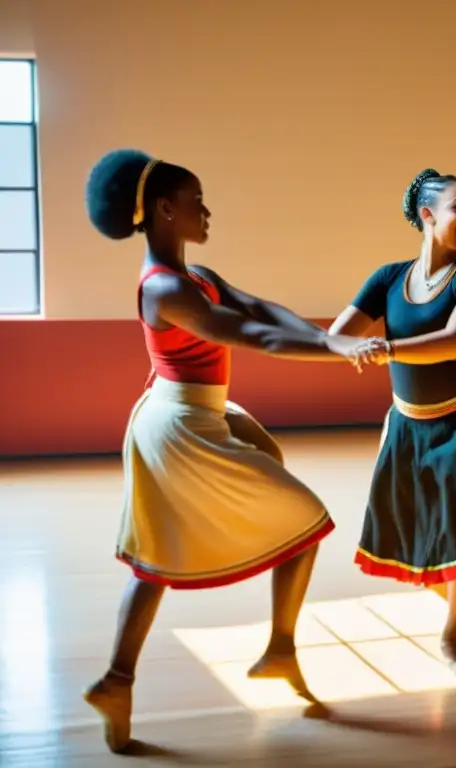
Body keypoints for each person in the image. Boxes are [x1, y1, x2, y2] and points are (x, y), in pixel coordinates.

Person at [81, 149, 371, 753]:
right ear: (164, 210)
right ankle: (277, 651)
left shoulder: (196, 276)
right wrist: (336, 353)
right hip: (180, 423)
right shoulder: (165, 291)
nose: (206, 211)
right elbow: (251, 334)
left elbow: (260, 308)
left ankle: (122, 680)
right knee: (301, 520)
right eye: (196, 201)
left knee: (159, 554)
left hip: (194, 410)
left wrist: (329, 337)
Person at [328, 168, 456, 677]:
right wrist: (350, 345)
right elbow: (337, 335)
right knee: (425, 522)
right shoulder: (386, 278)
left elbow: (453, 341)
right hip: (407, 421)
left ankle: (450, 636)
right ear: (428, 215)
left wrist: (383, 349)